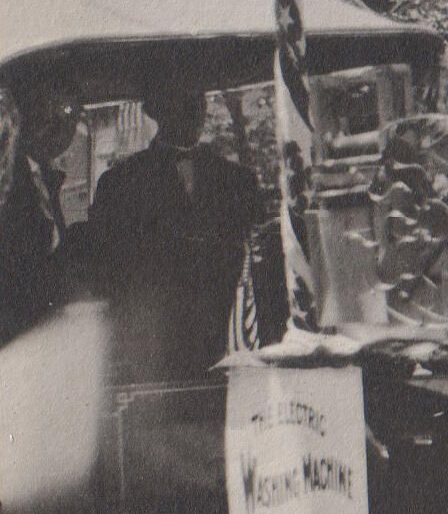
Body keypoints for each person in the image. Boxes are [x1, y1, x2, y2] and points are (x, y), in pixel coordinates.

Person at [87, 78, 263, 378]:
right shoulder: (120, 184)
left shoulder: (238, 181)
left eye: (200, 96)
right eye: (181, 98)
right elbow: (105, 275)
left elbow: (257, 272)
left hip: (230, 352)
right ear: (155, 109)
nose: (195, 108)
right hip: (151, 359)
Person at [0, 71, 82, 340]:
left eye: (70, 117)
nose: (59, 130)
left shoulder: (45, 178)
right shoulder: (9, 179)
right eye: (49, 115)